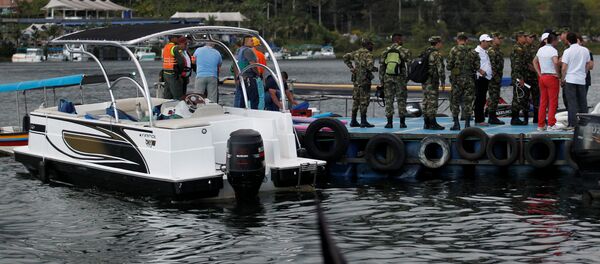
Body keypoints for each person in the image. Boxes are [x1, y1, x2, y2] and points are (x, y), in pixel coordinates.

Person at [446, 32, 479, 130]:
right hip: (469, 79)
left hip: (457, 80)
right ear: (467, 40)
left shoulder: (454, 50)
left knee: (455, 101)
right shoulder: (472, 51)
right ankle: (467, 124)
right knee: (468, 101)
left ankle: (456, 124)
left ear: (457, 40)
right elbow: (477, 66)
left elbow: (448, 66)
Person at [561, 32, 593, 129]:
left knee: (572, 102)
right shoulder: (585, 50)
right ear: (576, 39)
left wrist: (562, 79)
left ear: (568, 41)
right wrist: (584, 73)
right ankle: (584, 123)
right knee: (583, 102)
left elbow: (564, 68)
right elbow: (588, 64)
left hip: (570, 79)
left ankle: (572, 124)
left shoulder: (567, 51)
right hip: (581, 79)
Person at [343, 39, 378, 128]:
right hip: (365, 81)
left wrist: (351, 67)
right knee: (364, 101)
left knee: (356, 100)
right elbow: (370, 67)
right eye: (371, 45)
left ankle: (353, 121)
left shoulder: (356, 53)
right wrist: (376, 69)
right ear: (368, 45)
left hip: (356, 81)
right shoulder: (368, 54)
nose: (372, 47)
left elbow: (345, 57)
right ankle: (363, 121)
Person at [379, 33, 411, 129]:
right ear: (398, 40)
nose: (403, 41)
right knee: (401, 100)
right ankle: (402, 123)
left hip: (387, 78)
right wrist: (407, 78)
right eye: (401, 39)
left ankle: (389, 123)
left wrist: (382, 80)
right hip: (400, 78)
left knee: (389, 100)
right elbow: (409, 63)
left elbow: (382, 67)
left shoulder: (385, 51)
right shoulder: (404, 50)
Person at [533, 33, 561, 131]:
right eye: (557, 40)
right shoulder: (553, 50)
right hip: (551, 77)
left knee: (543, 101)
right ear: (553, 41)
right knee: (553, 102)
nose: (557, 42)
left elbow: (534, 61)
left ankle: (541, 125)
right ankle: (551, 124)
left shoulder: (541, 49)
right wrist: (558, 74)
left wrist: (539, 73)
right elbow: (556, 62)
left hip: (543, 77)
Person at [421, 36, 446, 130]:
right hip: (432, 81)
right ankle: (433, 123)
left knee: (426, 101)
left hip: (424, 81)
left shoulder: (425, 52)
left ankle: (426, 123)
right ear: (438, 43)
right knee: (432, 102)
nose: (442, 44)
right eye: (441, 42)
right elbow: (440, 69)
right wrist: (443, 82)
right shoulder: (436, 54)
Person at [234, 36, 260, 109]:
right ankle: (254, 113)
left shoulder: (239, 50)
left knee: (243, 97)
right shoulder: (248, 50)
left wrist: (237, 77)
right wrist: (258, 73)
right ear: (247, 42)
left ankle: (243, 112)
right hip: (249, 77)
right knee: (254, 98)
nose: (253, 42)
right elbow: (253, 64)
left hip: (242, 77)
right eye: (251, 41)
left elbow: (235, 65)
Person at [510, 31, 529, 125]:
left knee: (521, 96)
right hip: (518, 76)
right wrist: (520, 78)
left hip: (522, 75)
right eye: (524, 36)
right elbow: (517, 65)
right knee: (517, 97)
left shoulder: (522, 48)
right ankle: (514, 118)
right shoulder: (517, 49)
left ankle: (517, 118)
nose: (526, 38)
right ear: (519, 37)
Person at [473, 34, 493, 126]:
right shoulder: (477, 51)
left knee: (482, 98)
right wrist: (481, 72)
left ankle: (480, 119)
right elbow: (473, 63)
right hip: (480, 78)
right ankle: (479, 120)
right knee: (480, 99)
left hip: (485, 78)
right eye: (487, 41)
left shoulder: (485, 51)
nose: (489, 43)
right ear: (482, 41)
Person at [487, 32, 506, 125]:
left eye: (501, 38)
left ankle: (493, 116)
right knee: (493, 97)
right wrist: (493, 78)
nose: (501, 40)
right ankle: (491, 117)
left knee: (495, 97)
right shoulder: (491, 51)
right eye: (499, 38)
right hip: (493, 79)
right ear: (493, 39)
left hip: (498, 78)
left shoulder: (499, 51)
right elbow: (491, 66)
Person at [161, 35, 185, 99]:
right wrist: (180, 72)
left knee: (167, 94)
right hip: (173, 74)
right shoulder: (174, 48)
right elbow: (181, 62)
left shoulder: (165, 47)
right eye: (177, 38)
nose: (178, 39)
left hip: (165, 73)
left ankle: (165, 107)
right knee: (177, 94)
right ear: (172, 39)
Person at [525, 32, 540, 124]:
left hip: (535, 77)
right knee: (525, 97)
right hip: (526, 76)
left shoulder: (536, 48)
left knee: (536, 97)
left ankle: (536, 117)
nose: (532, 39)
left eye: (533, 37)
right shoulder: (522, 48)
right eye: (530, 37)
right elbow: (524, 63)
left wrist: (535, 69)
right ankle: (525, 118)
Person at [252, 37, 267, 109]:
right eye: (258, 45)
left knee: (250, 95)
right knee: (261, 96)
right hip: (258, 78)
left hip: (249, 78)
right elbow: (263, 68)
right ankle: (260, 110)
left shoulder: (246, 53)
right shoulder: (261, 55)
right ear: (256, 45)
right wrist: (264, 81)